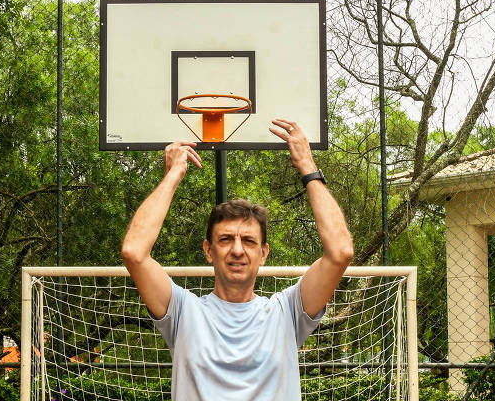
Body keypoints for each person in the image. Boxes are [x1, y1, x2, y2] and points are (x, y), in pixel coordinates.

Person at [121, 119, 354, 400]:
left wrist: (307, 166)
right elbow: (134, 252)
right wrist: (173, 175)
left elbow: (340, 252)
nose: (237, 250)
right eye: (226, 239)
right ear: (208, 250)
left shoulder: (287, 312)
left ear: (263, 253)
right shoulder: (183, 312)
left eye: (248, 241)